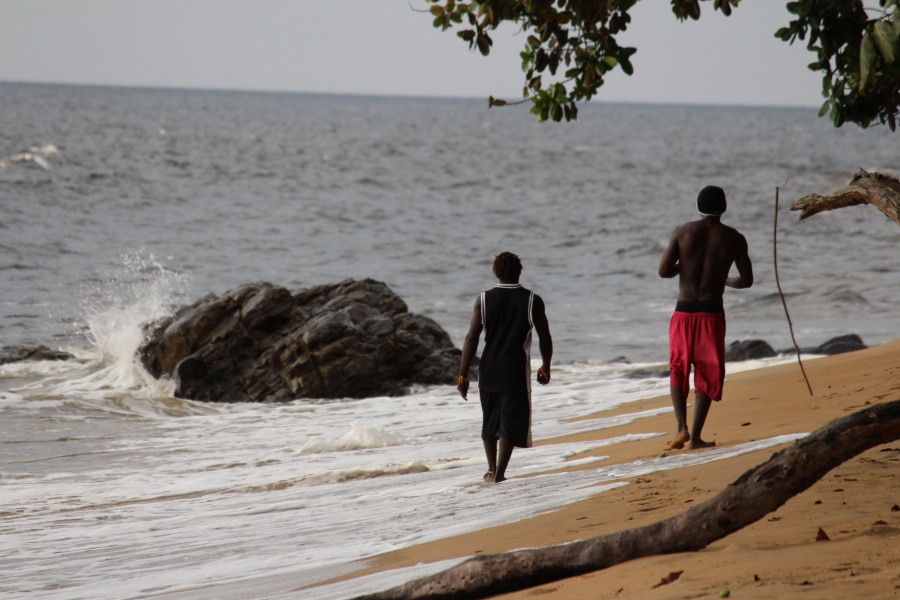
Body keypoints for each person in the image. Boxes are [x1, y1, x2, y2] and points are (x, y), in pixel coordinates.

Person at [658, 185, 754, 450]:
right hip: (711, 314)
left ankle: (681, 428)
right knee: (707, 371)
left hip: (683, 313)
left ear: (698, 207)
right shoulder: (734, 238)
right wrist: (723, 278)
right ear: (723, 209)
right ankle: (696, 437)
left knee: (678, 367)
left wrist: (687, 265)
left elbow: (664, 271)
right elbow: (746, 281)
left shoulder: (682, 232)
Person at [457, 252, 553, 483]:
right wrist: (546, 367)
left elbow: (472, 339)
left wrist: (462, 375)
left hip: (488, 369)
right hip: (514, 371)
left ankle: (491, 470)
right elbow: (545, 337)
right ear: (520, 271)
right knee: (509, 423)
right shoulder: (532, 300)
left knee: (490, 421)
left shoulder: (484, 299)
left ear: (495, 272)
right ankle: (500, 473)